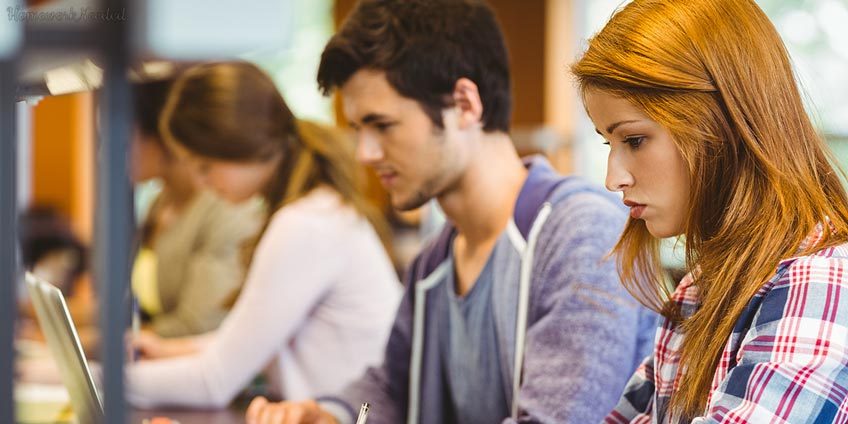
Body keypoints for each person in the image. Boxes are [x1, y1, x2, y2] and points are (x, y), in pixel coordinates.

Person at [246, 1, 655, 423]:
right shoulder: (433, 262)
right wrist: (333, 414)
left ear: (464, 104)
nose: (366, 154)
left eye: (382, 126)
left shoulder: (581, 233)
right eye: (358, 130)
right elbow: (386, 391)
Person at [571, 0, 848, 422]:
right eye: (609, 144)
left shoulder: (822, 282)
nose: (614, 179)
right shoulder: (700, 289)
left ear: (720, 125)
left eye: (635, 140)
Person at [125, 62, 402, 408]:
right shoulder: (313, 211)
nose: (201, 183)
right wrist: (176, 349)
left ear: (241, 146)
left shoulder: (306, 224)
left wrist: (99, 377)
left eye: (206, 167)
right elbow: (254, 338)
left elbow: (214, 381)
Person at [129, 78, 263, 337]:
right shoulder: (161, 203)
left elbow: (199, 325)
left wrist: (102, 343)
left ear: (160, 137)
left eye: (122, 136)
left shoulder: (225, 208)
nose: (108, 150)